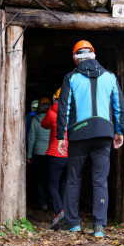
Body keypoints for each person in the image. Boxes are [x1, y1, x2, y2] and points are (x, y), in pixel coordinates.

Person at [57, 40, 124, 238]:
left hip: (78, 134)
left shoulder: (71, 78)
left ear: (75, 58)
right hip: (104, 134)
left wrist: (61, 136)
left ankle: (73, 224)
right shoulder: (110, 77)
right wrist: (120, 131)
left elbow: (64, 108)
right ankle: (99, 226)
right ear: (94, 56)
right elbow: (119, 106)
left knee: (74, 179)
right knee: (100, 180)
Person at [41, 88, 68, 229]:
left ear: (55, 98)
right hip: (70, 154)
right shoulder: (73, 111)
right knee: (64, 186)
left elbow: (44, 125)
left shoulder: (52, 112)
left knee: (52, 185)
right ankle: (65, 214)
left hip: (55, 153)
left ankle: (59, 212)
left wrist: (52, 105)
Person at [27, 97, 52, 210]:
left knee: (40, 179)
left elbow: (31, 139)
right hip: (52, 153)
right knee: (52, 177)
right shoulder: (54, 119)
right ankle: (51, 200)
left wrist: (29, 155)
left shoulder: (34, 120)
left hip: (38, 153)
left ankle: (43, 203)